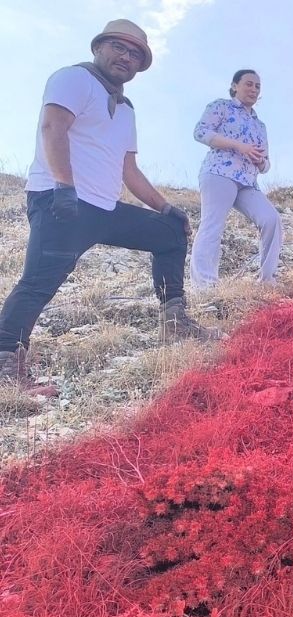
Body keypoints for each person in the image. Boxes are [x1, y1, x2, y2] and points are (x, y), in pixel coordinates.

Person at [0, 19, 219, 388]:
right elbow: (53, 127)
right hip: (61, 200)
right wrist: (64, 186)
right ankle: (6, 363)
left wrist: (166, 207)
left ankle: (175, 323)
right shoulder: (74, 78)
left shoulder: (126, 108)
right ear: (98, 47)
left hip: (103, 209)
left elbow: (128, 169)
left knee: (170, 233)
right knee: (38, 283)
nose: (126, 57)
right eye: (119, 47)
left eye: (135, 54)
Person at [190, 69, 283, 288]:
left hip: (248, 181)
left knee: (271, 219)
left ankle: (267, 280)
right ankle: (204, 286)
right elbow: (200, 132)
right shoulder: (221, 106)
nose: (254, 89)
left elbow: (266, 164)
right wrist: (238, 146)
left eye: (257, 86)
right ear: (234, 86)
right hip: (219, 172)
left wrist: (261, 161)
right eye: (248, 84)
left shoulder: (260, 125)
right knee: (212, 224)